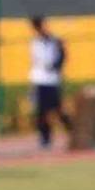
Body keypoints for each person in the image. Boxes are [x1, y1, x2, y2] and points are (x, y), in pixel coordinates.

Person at [29, 16, 72, 148]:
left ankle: (73, 132)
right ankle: (45, 139)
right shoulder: (35, 42)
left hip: (52, 80)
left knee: (58, 110)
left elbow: (63, 56)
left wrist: (57, 66)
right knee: (41, 112)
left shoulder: (55, 40)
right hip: (40, 80)